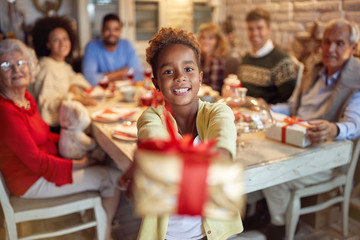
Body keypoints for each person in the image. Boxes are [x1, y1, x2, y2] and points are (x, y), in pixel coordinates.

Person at [119, 27, 243, 240]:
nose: (180, 77)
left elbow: (223, 143)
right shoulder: (151, 117)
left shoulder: (219, 111)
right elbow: (153, 142)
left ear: (200, 77)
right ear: (156, 82)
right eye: (168, 71)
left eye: (188, 69)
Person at [0, 39, 120, 240]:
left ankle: (94, 222)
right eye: (6, 65)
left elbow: (46, 134)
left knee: (105, 160)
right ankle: (104, 235)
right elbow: (37, 161)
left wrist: (82, 151)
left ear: (29, 67)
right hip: (31, 181)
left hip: (38, 170)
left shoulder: (26, 99)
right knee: (114, 177)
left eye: (21, 63)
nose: (16, 70)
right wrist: (80, 163)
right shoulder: (6, 112)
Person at [261, 18, 360, 239]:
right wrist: (265, 108)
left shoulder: (357, 81)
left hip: (327, 155)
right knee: (259, 158)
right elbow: (291, 106)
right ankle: (266, 214)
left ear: (353, 48)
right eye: (326, 42)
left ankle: (281, 226)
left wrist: (333, 129)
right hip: (297, 142)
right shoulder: (314, 71)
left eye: (339, 43)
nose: (330, 49)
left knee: (272, 173)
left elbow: (354, 125)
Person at [29, 16, 96, 132]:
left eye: (65, 38)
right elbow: (46, 106)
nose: (62, 43)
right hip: (53, 129)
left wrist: (72, 86)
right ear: (48, 44)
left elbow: (77, 79)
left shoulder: (63, 65)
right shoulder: (47, 67)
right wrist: (75, 98)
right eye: (56, 40)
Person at [238, 8, 297, 104]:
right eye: (250, 29)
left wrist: (267, 105)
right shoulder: (246, 57)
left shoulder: (282, 61)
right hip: (244, 112)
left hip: (268, 114)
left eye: (259, 28)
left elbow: (288, 102)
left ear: (269, 29)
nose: (254, 33)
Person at [82, 14, 144, 86]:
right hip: (101, 94)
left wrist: (104, 77)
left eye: (116, 29)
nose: (112, 33)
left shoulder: (127, 45)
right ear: (102, 30)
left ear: (120, 31)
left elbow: (139, 75)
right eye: (108, 29)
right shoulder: (92, 47)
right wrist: (122, 73)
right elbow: (89, 79)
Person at [197, 23, 227, 93]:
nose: (206, 41)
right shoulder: (200, 58)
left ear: (217, 41)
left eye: (210, 38)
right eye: (203, 37)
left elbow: (214, 90)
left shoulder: (217, 61)